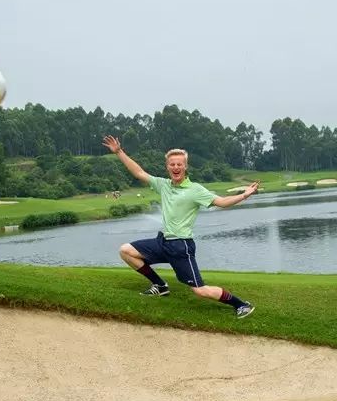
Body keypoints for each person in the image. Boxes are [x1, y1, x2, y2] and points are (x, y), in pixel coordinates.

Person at [103, 135, 259, 318]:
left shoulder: (195, 190)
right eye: (172, 164)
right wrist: (119, 152)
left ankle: (241, 305)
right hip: (163, 242)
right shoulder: (163, 185)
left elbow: (221, 202)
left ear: (185, 166)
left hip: (181, 246)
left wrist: (244, 195)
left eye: (179, 164)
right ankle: (160, 286)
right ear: (167, 167)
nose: (176, 167)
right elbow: (139, 173)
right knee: (126, 251)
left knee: (199, 290)